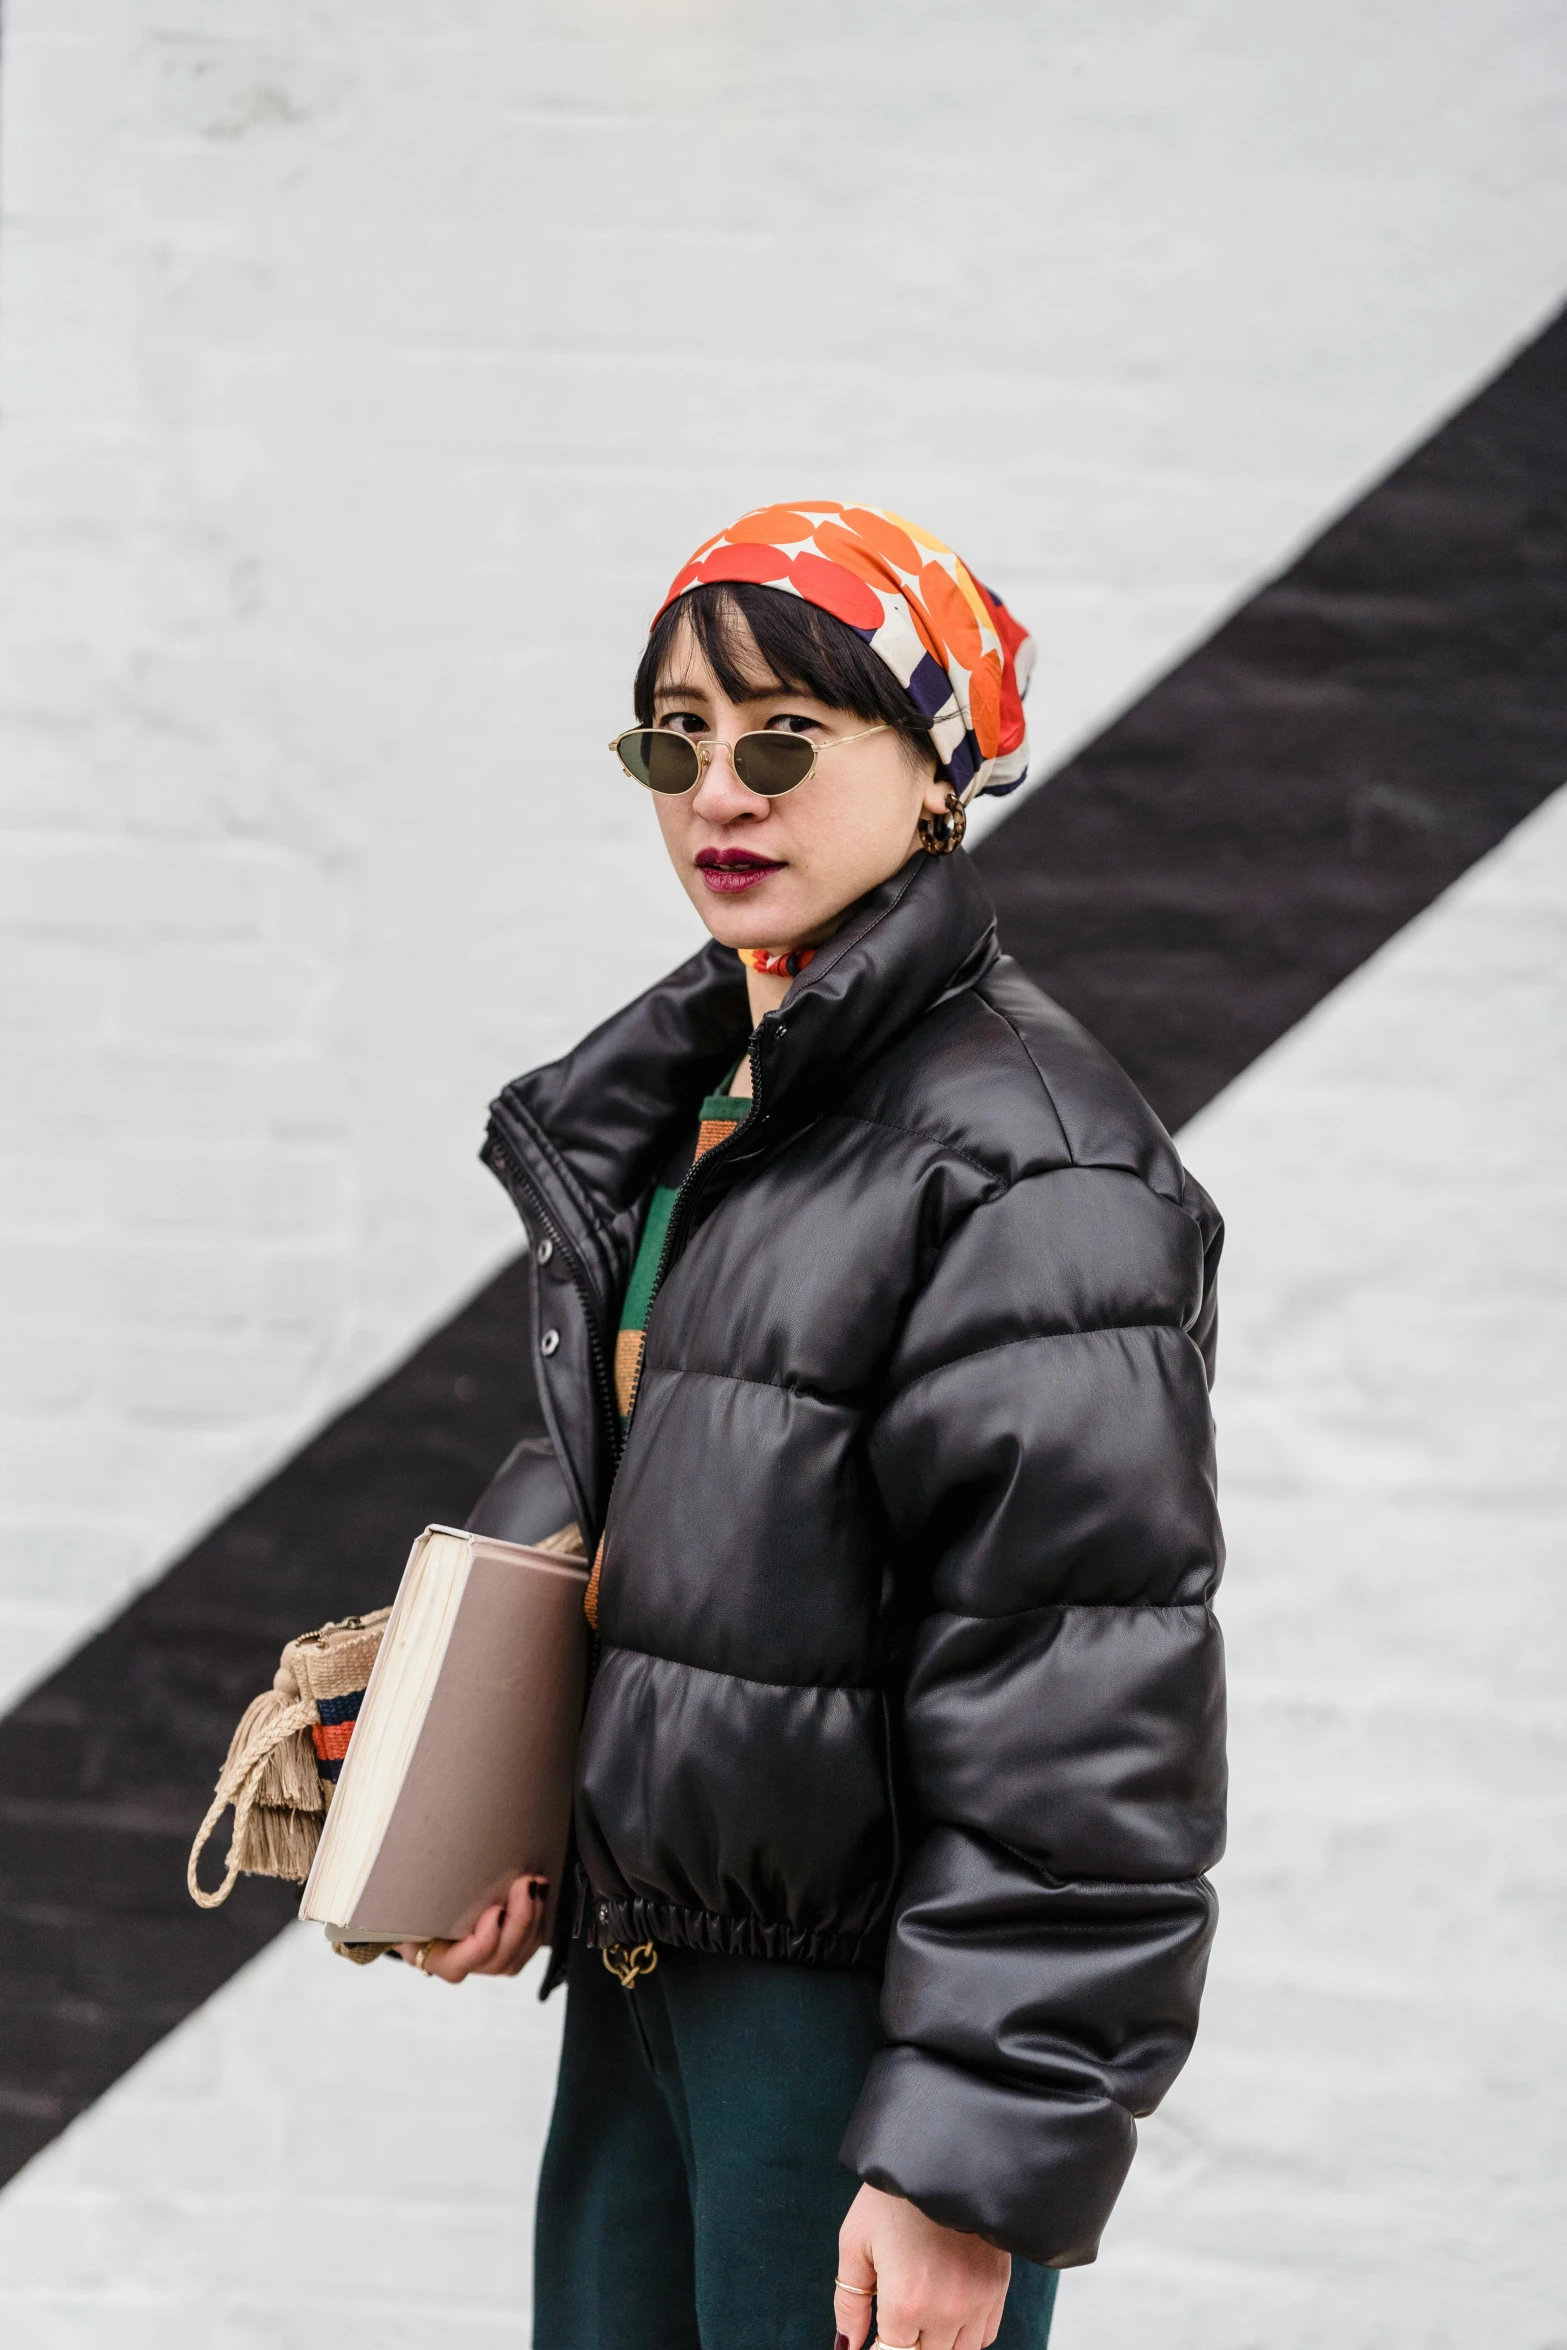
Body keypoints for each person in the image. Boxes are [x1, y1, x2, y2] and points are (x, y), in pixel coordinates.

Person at [398, 503, 1227, 2350]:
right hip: (646, 1992)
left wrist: (963, 2161)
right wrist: (513, 1790)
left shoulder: (1036, 1160)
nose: (718, 790)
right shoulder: (719, 1107)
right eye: (669, 742)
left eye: (781, 737)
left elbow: (1082, 1698)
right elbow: (692, 1547)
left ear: (934, 775)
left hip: (852, 2046)